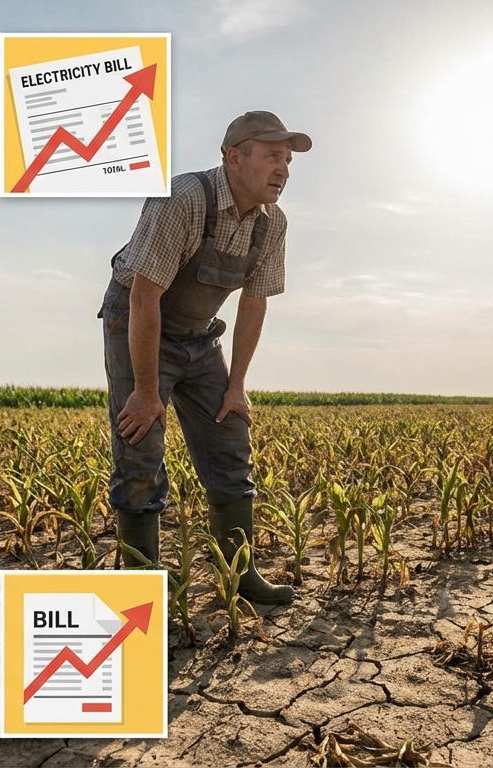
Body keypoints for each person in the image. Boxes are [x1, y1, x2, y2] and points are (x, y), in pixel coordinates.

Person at [99, 111, 312, 605]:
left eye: (287, 159)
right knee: (140, 446)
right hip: (138, 324)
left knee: (231, 439)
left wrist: (236, 386)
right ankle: (140, 596)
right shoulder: (185, 198)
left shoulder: (271, 224)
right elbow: (144, 297)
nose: (283, 169)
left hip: (199, 337)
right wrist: (147, 392)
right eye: (272, 156)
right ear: (235, 158)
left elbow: (253, 302)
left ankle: (241, 574)